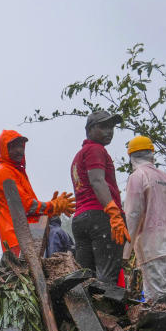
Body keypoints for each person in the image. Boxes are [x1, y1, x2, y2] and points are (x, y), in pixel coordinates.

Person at [0, 129, 76, 255]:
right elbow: (26, 206)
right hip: (18, 237)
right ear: (5, 149)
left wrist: (51, 209)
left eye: (21, 146)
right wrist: (52, 206)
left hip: (30, 234)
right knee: (55, 239)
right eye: (14, 146)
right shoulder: (4, 172)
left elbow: (30, 207)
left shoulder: (17, 171)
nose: (19, 150)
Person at [123, 136, 166, 306]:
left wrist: (124, 252)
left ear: (131, 157)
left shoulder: (138, 176)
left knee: (162, 298)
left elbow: (132, 215)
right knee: (164, 291)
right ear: (151, 155)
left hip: (152, 244)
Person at [70, 110, 129, 283]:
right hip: (100, 217)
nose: (109, 131)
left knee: (86, 276)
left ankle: (88, 309)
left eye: (111, 127)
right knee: (107, 276)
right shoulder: (96, 149)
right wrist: (113, 212)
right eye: (103, 126)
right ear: (89, 130)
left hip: (81, 219)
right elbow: (97, 181)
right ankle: (106, 309)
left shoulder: (79, 156)